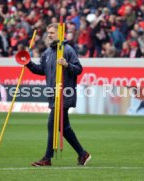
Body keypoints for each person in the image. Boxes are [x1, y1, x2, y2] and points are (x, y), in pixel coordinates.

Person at [26, 23, 91, 166]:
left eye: (52, 33)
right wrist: (28, 63)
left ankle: (47, 158)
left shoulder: (68, 50)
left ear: (60, 34)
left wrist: (67, 65)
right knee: (64, 127)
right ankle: (82, 153)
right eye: (48, 33)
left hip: (65, 94)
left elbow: (79, 69)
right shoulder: (47, 53)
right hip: (52, 94)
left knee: (52, 124)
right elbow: (41, 70)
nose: (49, 35)